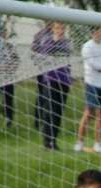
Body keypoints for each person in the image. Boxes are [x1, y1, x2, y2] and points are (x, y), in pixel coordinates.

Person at [76, 27, 101, 154]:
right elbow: (94, 65)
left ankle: (98, 143)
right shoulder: (87, 47)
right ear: (92, 32)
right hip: (91, 83)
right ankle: (80, 142)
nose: (99, 33)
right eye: (96, 31)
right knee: (89, 113)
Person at [33, 22, 72, 151]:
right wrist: (55, 42)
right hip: (50, 80)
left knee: (58, 112)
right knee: (50, 111)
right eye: (58, 28)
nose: (61, 30)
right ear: (53, 29)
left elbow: (67, 59)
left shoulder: (67, 42)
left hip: (64, 80)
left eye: (62, 28)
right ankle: (47, 142)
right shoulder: (47, 41)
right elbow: (44, 55)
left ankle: (54, 141)